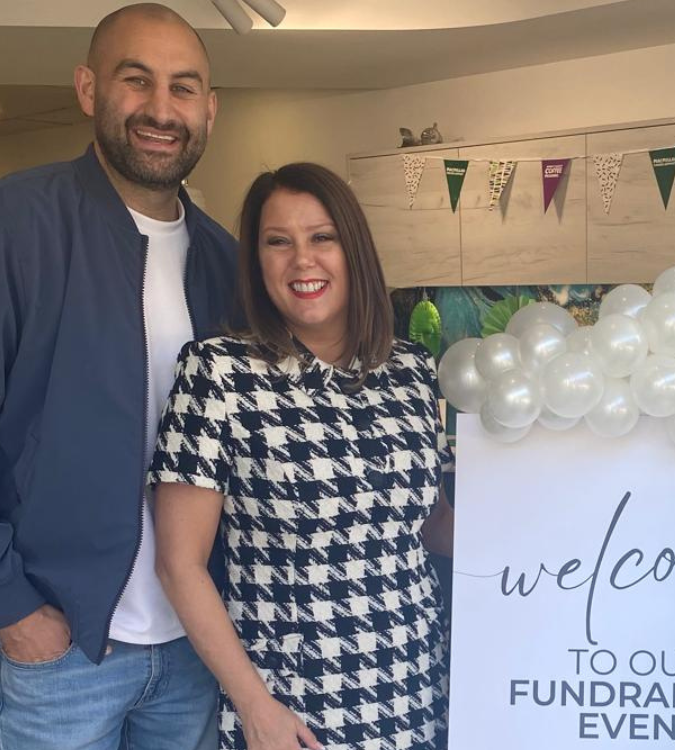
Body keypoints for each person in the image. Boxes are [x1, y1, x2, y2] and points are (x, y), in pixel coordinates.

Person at [0, 4, 236, 748]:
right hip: (63, 648)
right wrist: (13, 607)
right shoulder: (1, 227)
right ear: (89, 88)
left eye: (183, 88)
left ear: (209, 110)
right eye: (136, 80)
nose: (161, 108)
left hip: (197, 647)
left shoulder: (227, 260)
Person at [150, 162, 455, 750]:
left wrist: (545, 538)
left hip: (417, 686)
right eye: (277, 242)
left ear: (354, 251)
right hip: (294, 704)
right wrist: (254, 706)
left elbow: (427, 521)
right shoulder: (218, 373)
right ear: (257, 261)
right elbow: (178, 564)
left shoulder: (411, 370)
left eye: (322, 238)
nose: (302, 261)